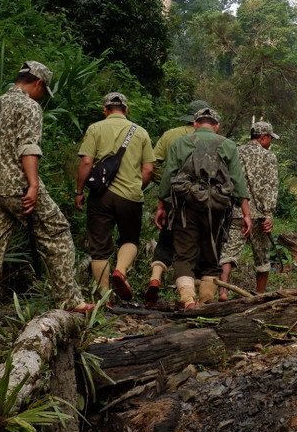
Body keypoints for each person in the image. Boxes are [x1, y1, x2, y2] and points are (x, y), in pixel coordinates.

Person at [0, 61, 92, 333]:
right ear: (37, 83)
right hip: (18, 186)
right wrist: (33, 185)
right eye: (43, 91)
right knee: (57, 231)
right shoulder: (29, 106)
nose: (41, 97)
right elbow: (28, 146)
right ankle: (70, 300)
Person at [153, 107, 250, 308]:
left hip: (184, 208)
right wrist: (246, 214)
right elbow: (238, 182)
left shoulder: (180, 143)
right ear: (216, 126)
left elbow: (168, 177)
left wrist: (162, 206)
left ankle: (188, 299)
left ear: (195, 124)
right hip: (217, 210)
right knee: (212, 255)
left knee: (183, 255)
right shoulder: (229, 145)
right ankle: (207, 301)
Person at [75, 92, 154, 300]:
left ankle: (104, 298)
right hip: (130, 197)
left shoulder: (95, 128)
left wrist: (79, 191)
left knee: (99, 248)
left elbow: (85, 162)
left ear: (105, 110)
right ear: (126, 110)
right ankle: (120, 270)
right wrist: (138, 187)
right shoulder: (141, 132)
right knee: (130, 239)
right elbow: (148, 169)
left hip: (100, 196)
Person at [145, 99, 209, 306]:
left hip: (175, 198)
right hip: (202, 200)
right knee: (196, 245)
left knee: (166, 239)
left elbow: (155, 164)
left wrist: (165, 187)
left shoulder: (170, 135)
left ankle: (155, 278)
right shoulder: (213, 139)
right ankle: (193, 296)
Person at [218, 120, 279, 296]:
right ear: (264, 137)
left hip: (236, 213)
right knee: (262, 258)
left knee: (228, 254)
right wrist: (269, 214)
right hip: (259, 215)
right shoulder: (269, 157)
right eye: (270, 138)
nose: (270, 143)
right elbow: (271, 187)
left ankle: (223, 291)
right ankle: (259, 295)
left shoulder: (236, 152)